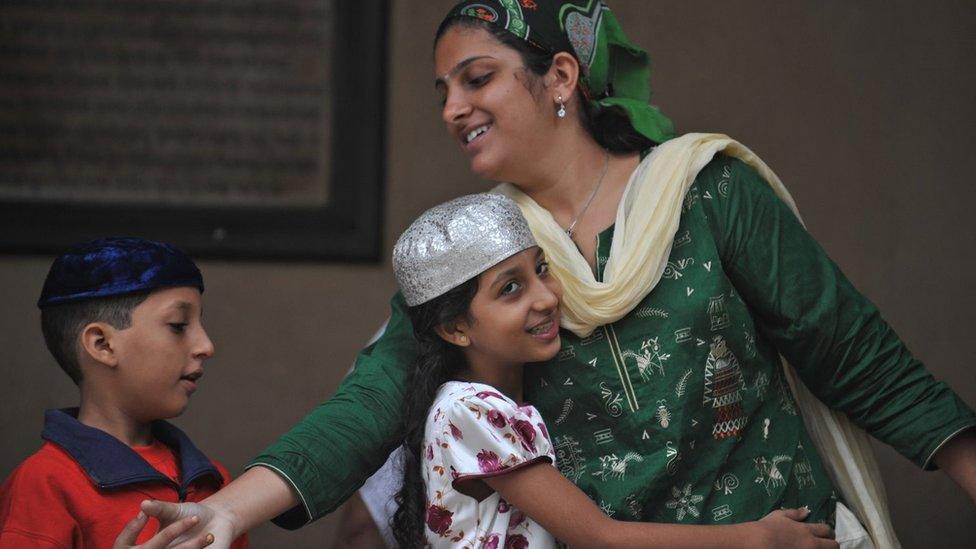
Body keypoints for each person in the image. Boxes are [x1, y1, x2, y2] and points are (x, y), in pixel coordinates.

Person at [143, 2, 976, 547]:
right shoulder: (477, 251)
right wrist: (226, 509)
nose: (451, 110)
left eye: (477, 79)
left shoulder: (706, 191)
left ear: (562, 78)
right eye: (442, 92)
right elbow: (368, 403)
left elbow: (855, 354)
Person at [390, 192, 836, 547]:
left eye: (542, 269)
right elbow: (600, 536)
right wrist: (754, 539)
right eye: (511, 288)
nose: (546, 297)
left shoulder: (500, 400)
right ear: (455, 328)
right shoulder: (469, 409)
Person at [0, 237, 246, 548]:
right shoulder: (45, 483)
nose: (206, 346)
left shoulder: (215, 482)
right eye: (178, 325)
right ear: (102, 344)